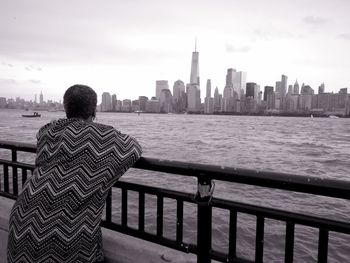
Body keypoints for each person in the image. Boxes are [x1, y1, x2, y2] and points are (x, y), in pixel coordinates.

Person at [7, 84, 142, 263]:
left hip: (20, 227)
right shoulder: (103, 137)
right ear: (94, 110)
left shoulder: (48, 131)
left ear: (66, 108)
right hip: (63, 240)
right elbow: (133, 148)